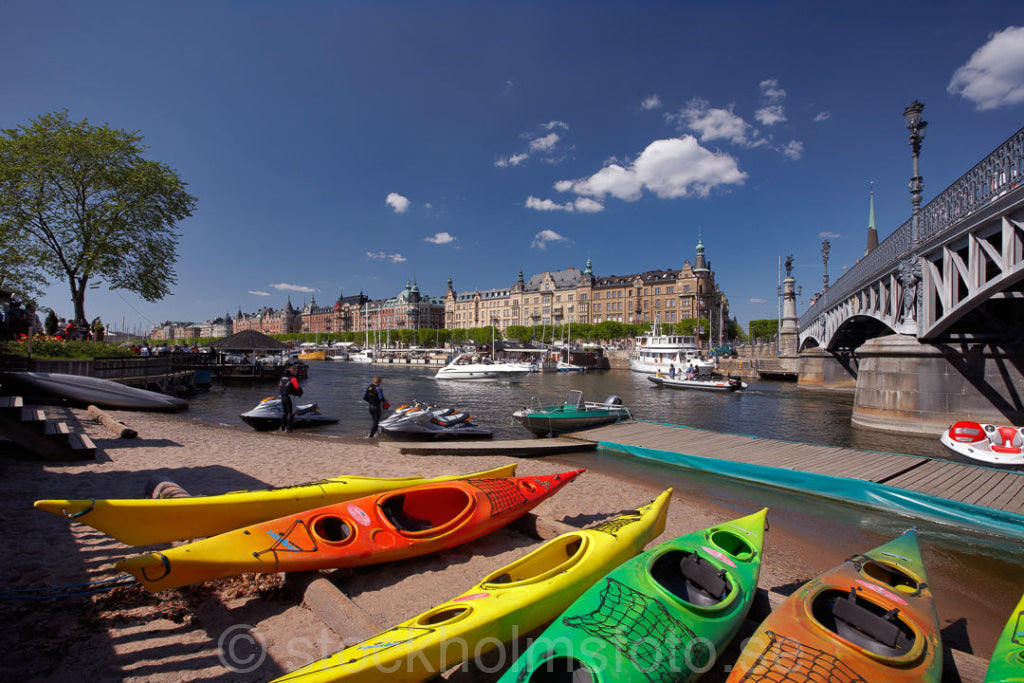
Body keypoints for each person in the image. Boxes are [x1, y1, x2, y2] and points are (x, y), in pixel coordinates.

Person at [278, 363, 303, 432]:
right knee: (291, 412)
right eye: (296, 371)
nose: (297, 372)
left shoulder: (282, 379)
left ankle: (282, 427)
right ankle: (289, 429)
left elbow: (280, 388)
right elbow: (297, 387)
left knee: (285, 412)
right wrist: (300, 393)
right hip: (290, 397)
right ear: (293, 371)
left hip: (283, 397)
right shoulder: (293, 379)